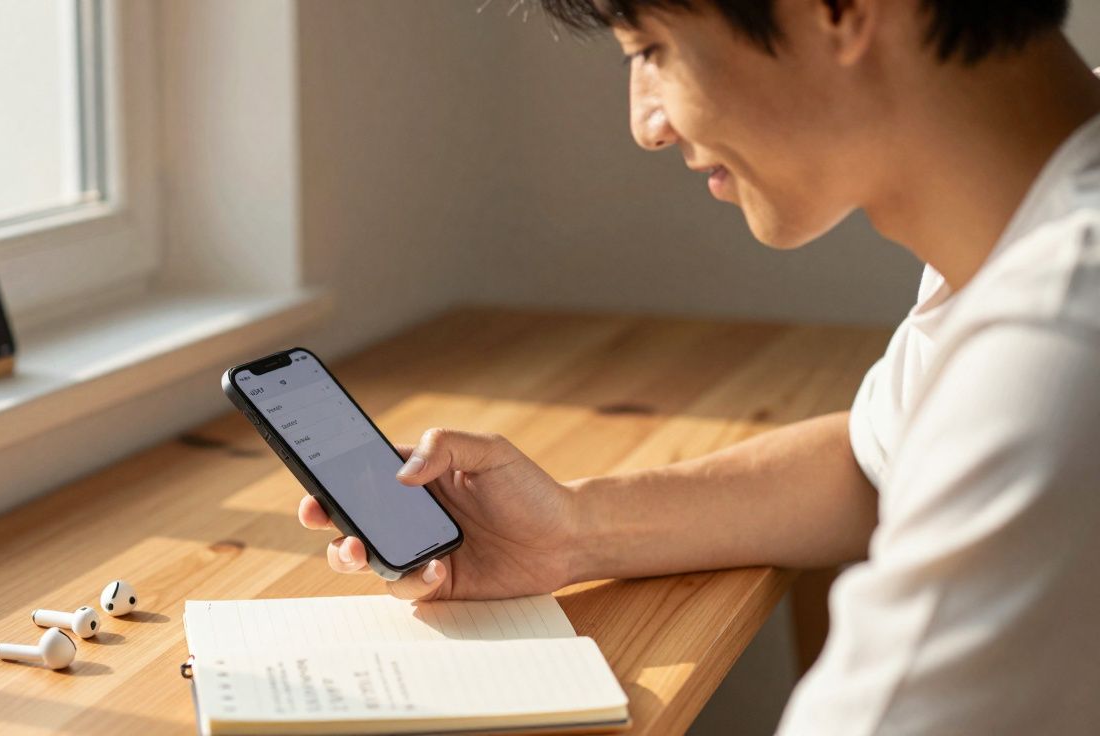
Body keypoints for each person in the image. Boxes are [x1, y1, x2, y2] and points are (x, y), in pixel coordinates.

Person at [298, 0, 1100, 732]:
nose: (647, 125)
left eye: (652, 50)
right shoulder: (1033, 222)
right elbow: (878, 461)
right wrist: (572, 530)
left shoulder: (1059, 340)